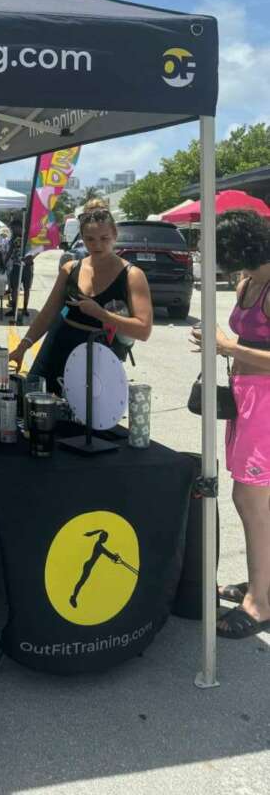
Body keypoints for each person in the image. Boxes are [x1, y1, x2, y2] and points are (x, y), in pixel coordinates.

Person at [190, 210, 270, 639]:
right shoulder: (248, 282)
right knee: (256, 498)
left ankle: (261, 602)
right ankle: (263, 582)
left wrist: (226, 346)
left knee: (250, 498)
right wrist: (222, 345)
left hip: (265, 402)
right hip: (246, 398)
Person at [9, 203, 153, 391]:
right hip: (57, 347)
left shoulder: (132, 275)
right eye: (90, 239)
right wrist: (23, 347)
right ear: (82, 239)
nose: (97, 245)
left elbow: (143, 330)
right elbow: (47, 314)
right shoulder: (70, 269)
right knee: (36, 402)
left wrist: (101, 314)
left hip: (98, 355)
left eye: (104, 238)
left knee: (87, 408)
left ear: (115, 235)